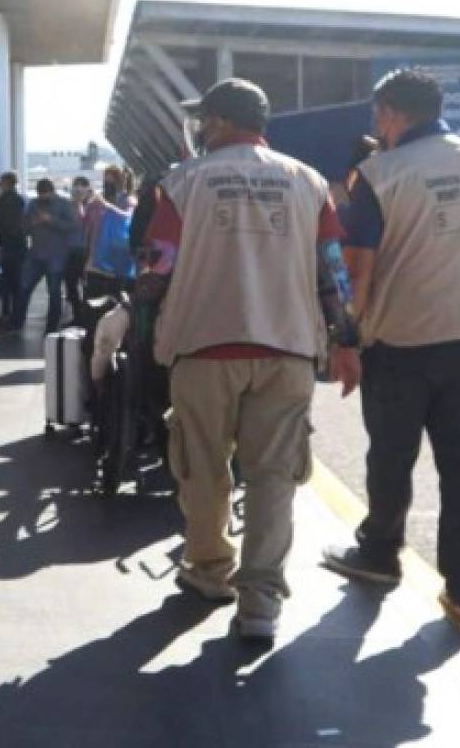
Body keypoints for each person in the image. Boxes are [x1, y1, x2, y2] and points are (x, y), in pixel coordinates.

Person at [139, 78, 359, 641]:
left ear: (219, 122)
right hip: (288, 349)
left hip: (203, 346)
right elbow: (333, 271)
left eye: (204, 120)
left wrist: (141, 322)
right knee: (274, 476)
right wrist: (345, 337)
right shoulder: (309, 182)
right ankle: (260, 602)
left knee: (203, 467)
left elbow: (157, 269)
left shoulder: (182, 182)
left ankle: (210, 570)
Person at [323, 69, 460, 628]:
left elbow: (357, 272)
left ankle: (379, 554)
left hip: (400, 341)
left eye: (378, 116)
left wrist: (345, 337)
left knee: (392, 454)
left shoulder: (378, 175)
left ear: (391, 113)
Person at [11, 178, 74, 334]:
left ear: (52, 191)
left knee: (54, 293)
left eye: (46, 194)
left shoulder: (64, 204)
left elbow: (71, 226)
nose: (43, 197)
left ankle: (51, 327)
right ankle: (17, 323)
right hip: (35, 254)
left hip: (56, 255)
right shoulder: (33, 204)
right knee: (24, 288)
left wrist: (51, 220)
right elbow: (23, 227)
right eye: (40, 194)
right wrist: (31, 223)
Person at [0, 171, 26, 326]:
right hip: (19, 246)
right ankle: (15, 317)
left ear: (5, 183)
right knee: (16, 284)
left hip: (3, 247)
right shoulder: (22, 200)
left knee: (0, 283)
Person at [64, 176, 94, 326]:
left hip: (85, 251)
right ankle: (78, 316)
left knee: (86, 286)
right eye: (76, 187)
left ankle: (86, 317)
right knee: (71, 286)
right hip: (71, 251)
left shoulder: (93, 206)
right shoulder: (68, 206)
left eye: (82, 187)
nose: (78, 191)